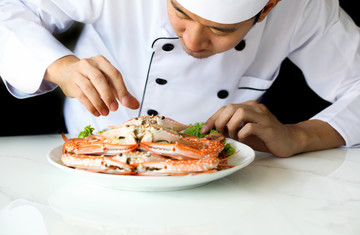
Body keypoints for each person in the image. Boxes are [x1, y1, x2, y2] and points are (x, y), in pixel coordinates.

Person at [0, 0, 359, 157]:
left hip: (224, 175)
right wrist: (59, 65)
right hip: (91, 163)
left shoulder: (303, 6)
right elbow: (9, 12)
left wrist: (299, 136)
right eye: (179, 12)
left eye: (222, 29)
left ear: (268, 7)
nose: (192, 41)